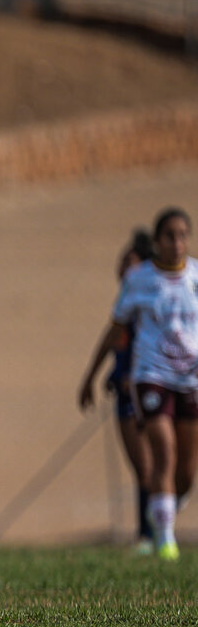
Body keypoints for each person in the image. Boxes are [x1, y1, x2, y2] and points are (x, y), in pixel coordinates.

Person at [87, 208, 198, 561]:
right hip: (152, 376)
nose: (177, 243)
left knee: (186, 471)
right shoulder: (140, 281)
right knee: (159, 456)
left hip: (190, 379)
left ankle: (163, 509)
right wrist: (91, 375)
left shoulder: (196, 277)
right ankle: (163, 541)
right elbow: (115, 330)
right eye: (170, 235)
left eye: (183, 235)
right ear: (158, 241)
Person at [78, 229, 155, 553]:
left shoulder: (148, 304)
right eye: (122, 261)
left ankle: (152, 532)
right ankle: (148, 534)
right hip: (127, 394)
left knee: (154, 466)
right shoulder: (124, 304)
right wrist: (97, 377)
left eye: (130, 262)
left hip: (152, 391)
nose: (123, 267)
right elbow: (111, 341)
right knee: (143, 467)